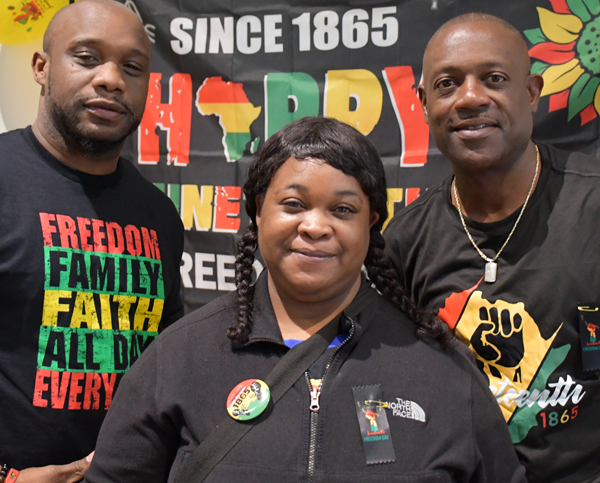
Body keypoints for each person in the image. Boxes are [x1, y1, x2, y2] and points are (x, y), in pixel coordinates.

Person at [83, 117, 525, 483]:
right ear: (259, 209)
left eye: (343, 210)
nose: (315, 226)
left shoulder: (441, 371)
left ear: (371, 223)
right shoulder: (178, 360)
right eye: (293, 204)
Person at [384, 13, 600, 483]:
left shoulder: (592, 206)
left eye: (494, 79)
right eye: (447, 84)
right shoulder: (402, 242)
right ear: (422, 104)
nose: (470, 98)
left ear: (531, 92)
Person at [0, 0, 184, 482]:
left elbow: (163, 365)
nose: (110, 79)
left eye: (132, 67)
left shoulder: (157, 214)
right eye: (86, 57)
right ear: (41, 67)